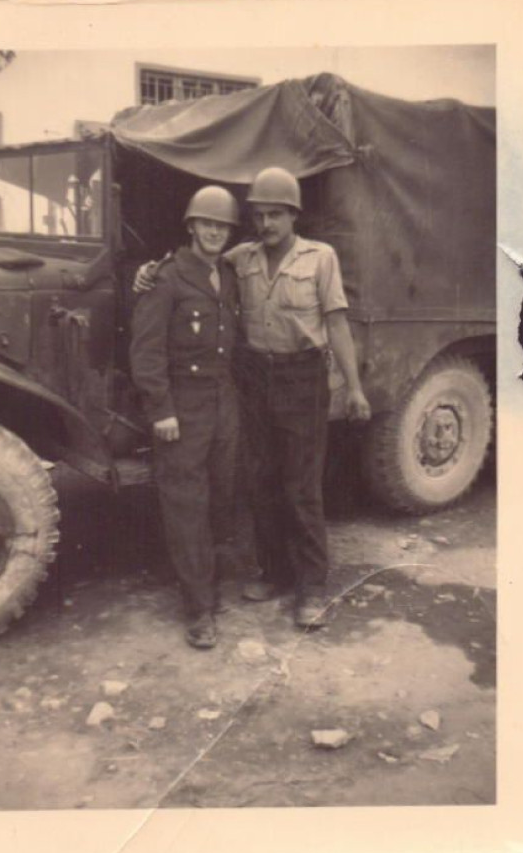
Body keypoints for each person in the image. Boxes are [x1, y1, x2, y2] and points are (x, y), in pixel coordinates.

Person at [135, 166, 371, 629]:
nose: (266, 225)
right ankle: (275, 573)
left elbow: (337, 322)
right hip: (254, 379)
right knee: (260, 482)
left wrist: (355, 387)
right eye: (259, 216)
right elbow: (191, 266)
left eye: (276, 216)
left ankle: (310, 588)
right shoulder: (239, 258)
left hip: (303, 378)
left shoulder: (321, 258)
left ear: (294, 216)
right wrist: (147, 274)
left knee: (301, 487)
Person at [130, 185, 241, 649]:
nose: (215, 232)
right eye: (207, 224)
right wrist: (162, 410)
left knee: (220, 497)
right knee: (186, 504)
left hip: (223, 403)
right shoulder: (165, 278)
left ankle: (205, 583)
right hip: (183, 407)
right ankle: (199, 610)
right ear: (192, 226)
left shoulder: (229, 275)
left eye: (222, 226)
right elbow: (146, 350)